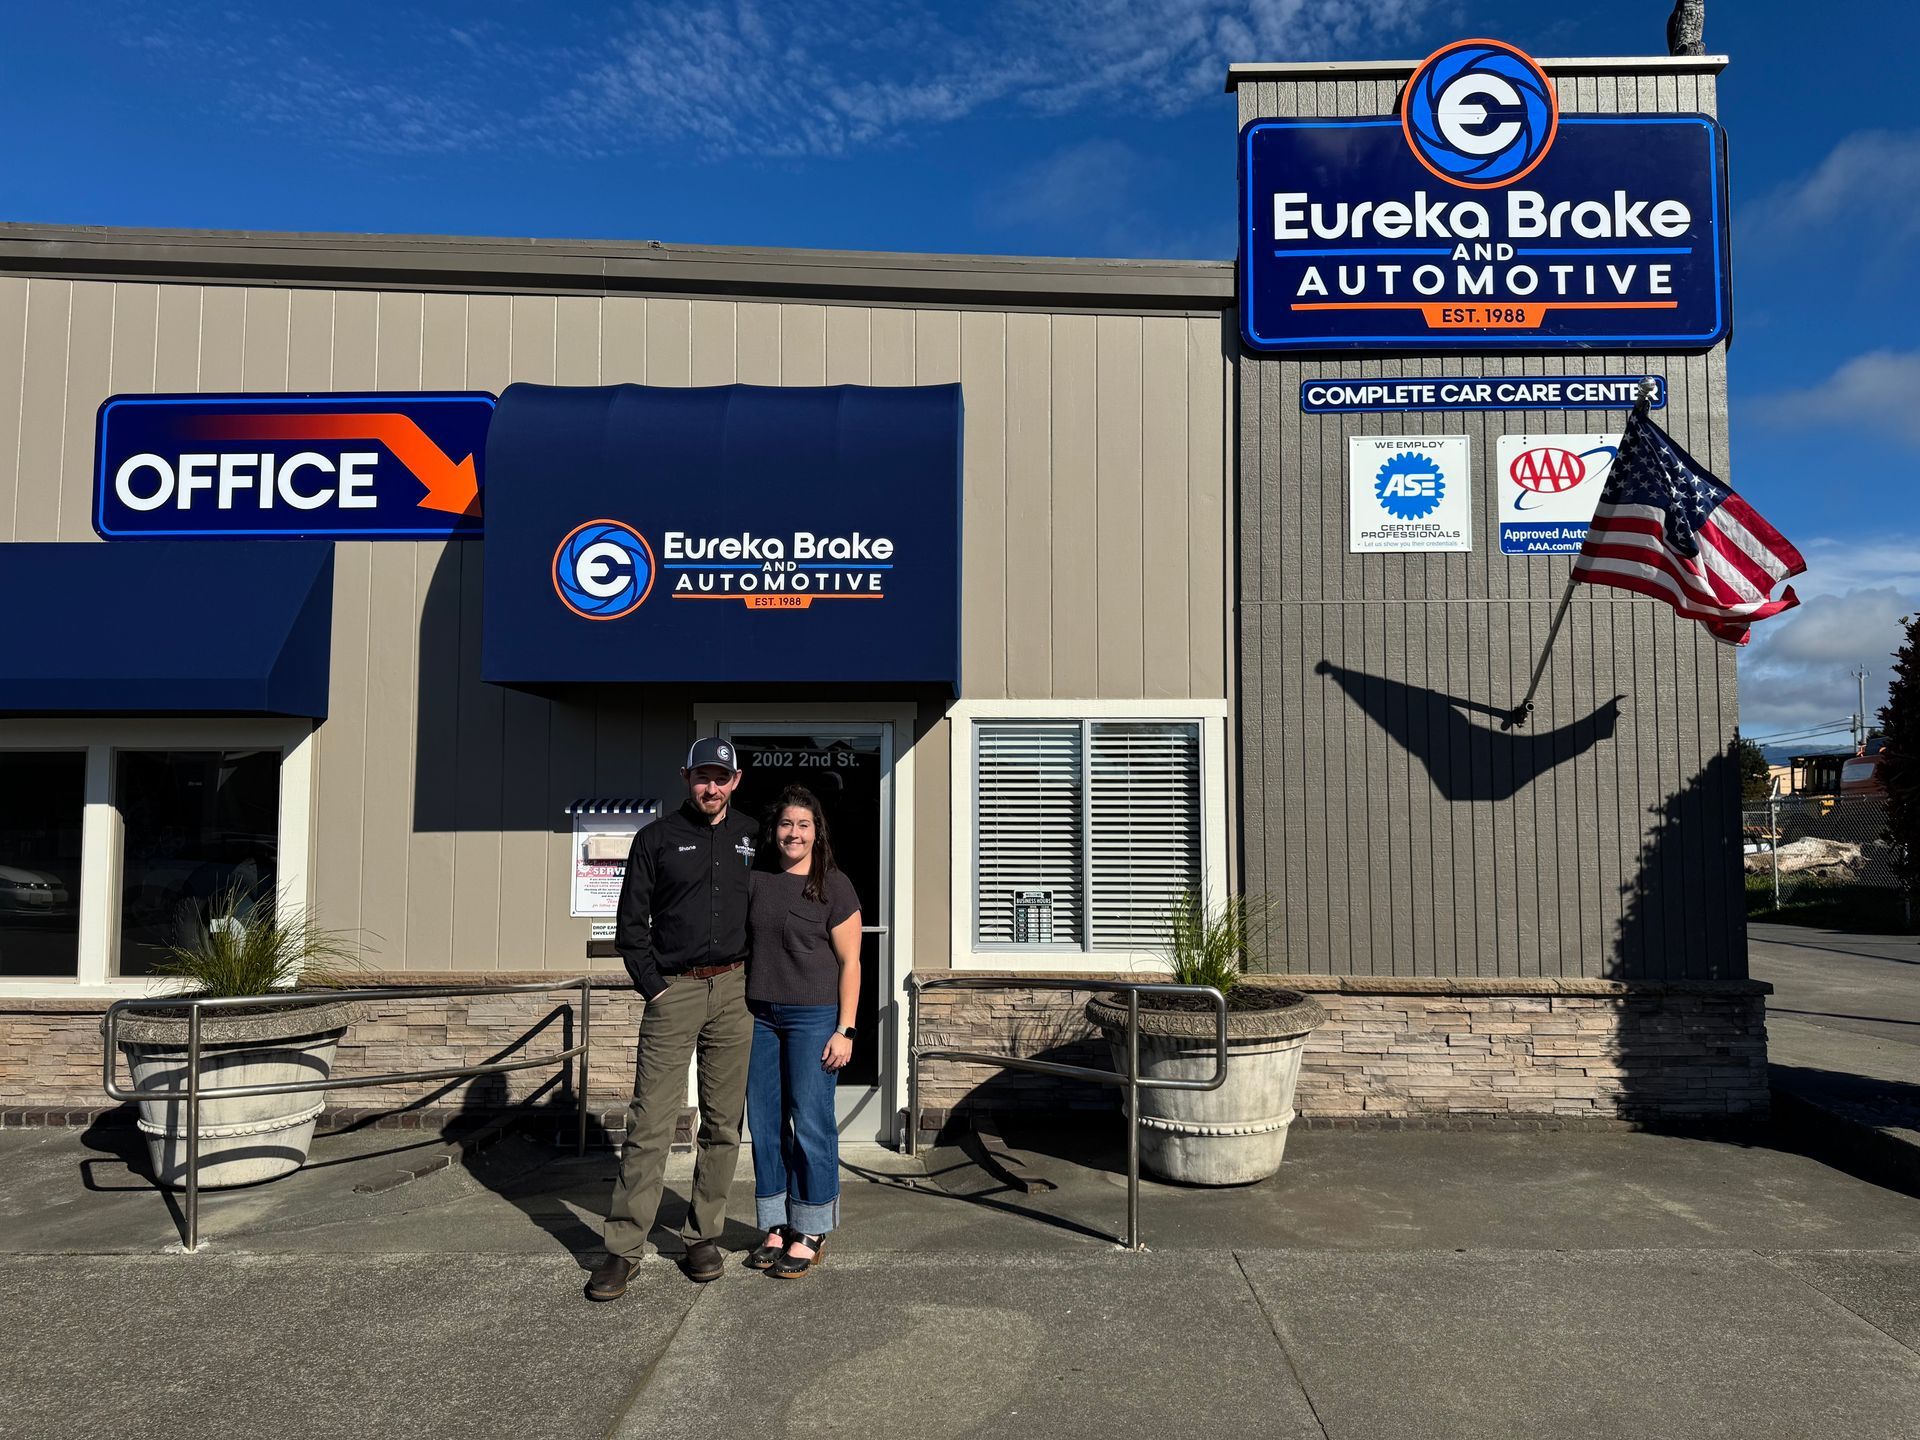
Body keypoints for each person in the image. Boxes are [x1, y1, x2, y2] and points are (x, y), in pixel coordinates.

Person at [588, 738, 758, 1299]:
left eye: (721, 778)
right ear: (686, 778)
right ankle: (622, 1249)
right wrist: (656, 991)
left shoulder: (753, 838)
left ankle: (701, 1235)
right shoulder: (655, 840)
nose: (712, 787)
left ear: (735, 781)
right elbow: (629, 928)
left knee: (723, 1125)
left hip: (734, 992)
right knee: (650, 1124)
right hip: (675, 993)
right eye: (702, 777)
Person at [741, 785, 862, 1278]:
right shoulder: (758, 881)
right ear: (775, 831)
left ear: (817, 833)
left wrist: (846, 1030)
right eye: (787, 824)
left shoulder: (834, 885)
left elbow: (851, 962)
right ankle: (776, 1223)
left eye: (803, 825)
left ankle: (811, 1228)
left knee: (810, 1122)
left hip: (813, 1017)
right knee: (766, 1125)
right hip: (759, 1016)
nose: (794, 833)